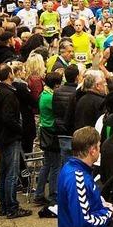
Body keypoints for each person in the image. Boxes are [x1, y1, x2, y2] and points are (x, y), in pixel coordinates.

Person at [57, 126, 113, 227]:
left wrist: (100, 204)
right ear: (92, 150)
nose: (100, 150)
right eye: (99, 146)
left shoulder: (73, 170)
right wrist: (108, 213)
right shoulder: (78, 178)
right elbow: (83, 221)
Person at [0, 63, 32, 219]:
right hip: (10, 137)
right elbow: (8, 117)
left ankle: (4, 204)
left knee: (4, 171)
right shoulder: (8, 94)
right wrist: (20, 129)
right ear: (9, 75)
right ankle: (12, 206)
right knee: (11, 173)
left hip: (1, 136)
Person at [34, 72, 63, 207]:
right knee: (55, 165)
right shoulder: (50, 98)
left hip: (45, 132)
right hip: (51, 133)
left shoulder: (43, 94)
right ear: (56, 85)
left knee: (47, 164)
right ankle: (53, 195)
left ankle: (39, 193)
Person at [53, 64, 80, 165]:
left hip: (61, 131)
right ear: (77, 77)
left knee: (64, 163)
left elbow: (55, 110)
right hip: (74, 132)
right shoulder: (78, 93)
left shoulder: (56, 92)